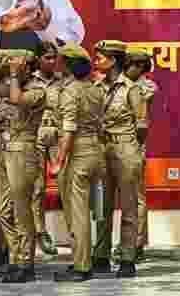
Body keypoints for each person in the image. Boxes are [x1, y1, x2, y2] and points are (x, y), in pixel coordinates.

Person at [0, 49, 47, 284]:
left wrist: (16, 75)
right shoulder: (12, 85)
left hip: (24, 151)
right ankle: (15, 257)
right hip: (6, 152)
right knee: (3, 211)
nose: (18, 69)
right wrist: (2, 68)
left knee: (22, 211)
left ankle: (25, 263)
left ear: (29, 68)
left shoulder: (38, 90)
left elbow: (18, 99)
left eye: (22, 66)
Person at [50, 43, 105, 282]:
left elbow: (69, 128)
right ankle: (82, 261)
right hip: (94, 150)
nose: (57, 63)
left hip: (77, 153)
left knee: (78, 212)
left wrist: (59, 161)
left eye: (61, 59)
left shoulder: (71, 90)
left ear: (69, 64)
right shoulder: (94, 89)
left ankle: (82, 266)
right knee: (84, 209)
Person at [90, 40, 143, 278]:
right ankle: (100, 255)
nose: (96, 61)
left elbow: (142, 125)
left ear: (113, 61)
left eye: (100, 57)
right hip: (101, 149)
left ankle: (127, 258)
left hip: (125, 147)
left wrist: (129, 147)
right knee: (101, 205)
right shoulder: (96, 87)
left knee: (129, 206)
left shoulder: (131, 89)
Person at [125, 47, 155, 261]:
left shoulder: (147, 87)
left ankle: (137, 243)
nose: (130, 68)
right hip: (112, 144)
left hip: (135, 144)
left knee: (137, 196)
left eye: (135, 64)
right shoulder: (117, 82)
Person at [30, 41, 61, 257]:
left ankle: (75, 232)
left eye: (54, 57)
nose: (51, 61)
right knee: (37, 188)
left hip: (58, 136)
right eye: (47, 57)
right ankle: (40, 231)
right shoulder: (30, 82)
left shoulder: (63, 82)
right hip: (36, 135)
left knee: (67, 185)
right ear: (39, 59)